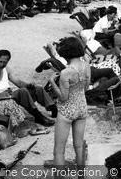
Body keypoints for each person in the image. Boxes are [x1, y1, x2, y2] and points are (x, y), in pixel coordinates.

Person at [0, 50, 56, 126]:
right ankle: (39, 117)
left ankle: (53, 109)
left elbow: (18, 83)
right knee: (22, 92)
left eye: (4, 62)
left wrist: (29, 85)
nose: (1, 64)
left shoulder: (6, 69)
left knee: (37, 89)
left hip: (9, 95)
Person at [49, 37, 92, 167]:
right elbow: (86, 87)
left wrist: (52, 82)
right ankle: (81, 176)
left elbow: (63, 97)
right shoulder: (86, 65)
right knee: (79, 147)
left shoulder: (65, 72)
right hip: (82, 108)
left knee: (59, 151)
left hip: (67, 110)